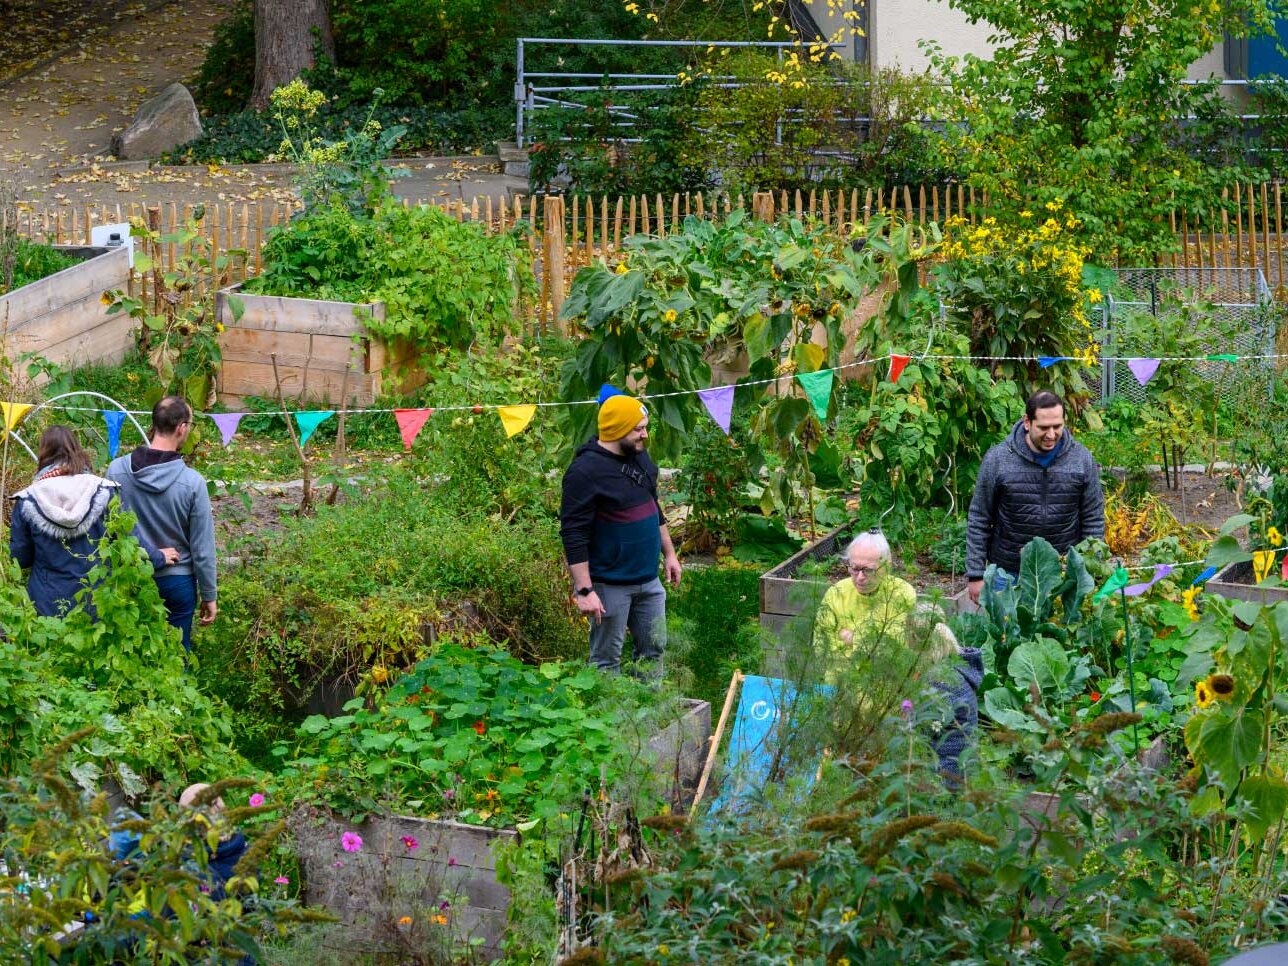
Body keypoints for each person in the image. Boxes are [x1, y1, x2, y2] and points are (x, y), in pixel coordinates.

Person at [560, 388, 682, 672]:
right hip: (609, 585)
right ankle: (607, 716)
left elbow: (653, 507)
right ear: (617, 430)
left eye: (645, 428)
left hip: (649, 581)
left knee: (654, 651)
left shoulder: (638, 456)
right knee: (606, 661)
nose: (644, 435)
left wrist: (670, 555)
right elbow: (573, 534)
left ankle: (651, 715)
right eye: (638, 429)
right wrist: (584, 589)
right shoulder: (584, 472)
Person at [9, 426, 178, 617]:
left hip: (46, 603)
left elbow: (20, 557)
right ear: (76, 450)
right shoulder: (105, 490)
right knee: (94, 643)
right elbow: (131, 539)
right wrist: (158, 557)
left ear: (43, 454)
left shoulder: (28, 500)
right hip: (96, 600)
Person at [965, 390, 1105, 605]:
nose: (1051, 435)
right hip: (1009, 574)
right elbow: (979, 517)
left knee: (1060, 635)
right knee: (1007, 635)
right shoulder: (999, 459)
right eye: (1043, 427)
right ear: (1028, 422)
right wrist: (975, 574)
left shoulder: (1081, 459)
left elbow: (1093, 518)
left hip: (1063, 574)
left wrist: (1091, 569)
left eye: (1057, 426)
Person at [106, 396, 217, 649]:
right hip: (176, 581)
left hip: (130, 577)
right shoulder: (192, 482)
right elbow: (202, 548)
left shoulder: (116, 471)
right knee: (177, 657)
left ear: (155, 423)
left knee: (130, 654)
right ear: (181, 428)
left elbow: (110, 529)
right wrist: (209, 594)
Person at [813, 530, 918, 674]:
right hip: (840, 683)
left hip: (886, 684)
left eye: (868, 570)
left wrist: (852, 638)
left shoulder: (902, 594)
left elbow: (893, 649)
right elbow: (822, 647)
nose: (860, 577)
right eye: (854, 568)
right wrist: (867, 643)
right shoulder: (836, 593)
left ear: (886, 566)